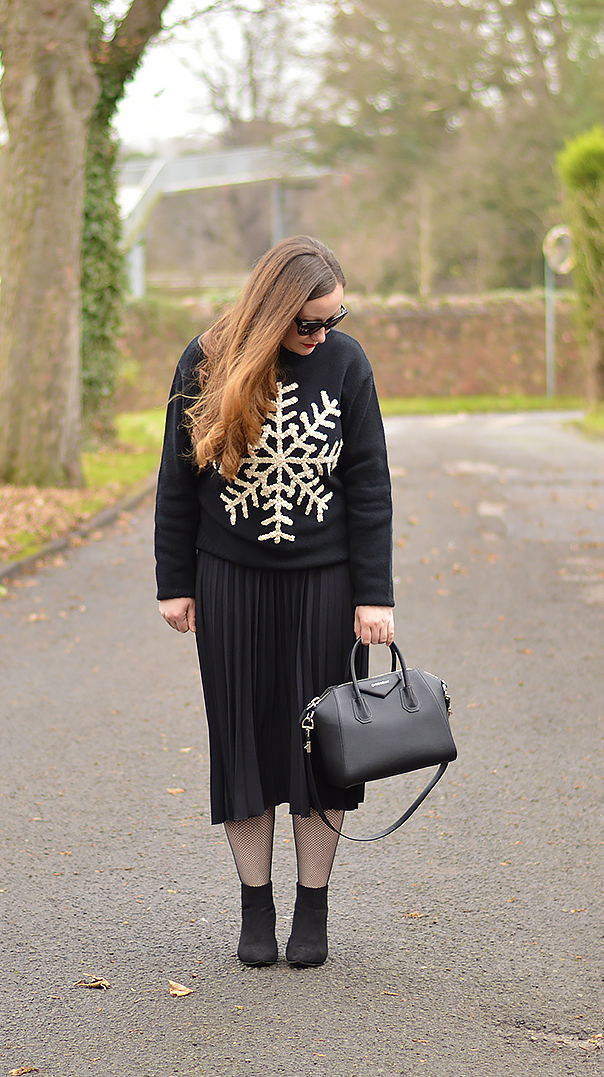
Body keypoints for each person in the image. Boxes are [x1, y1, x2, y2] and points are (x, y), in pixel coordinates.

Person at [153, 236, 395, 969]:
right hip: (230, 580)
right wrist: (174, 580)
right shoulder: (207, 359)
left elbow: (369, 483)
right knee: (244, 743)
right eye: (308, 323)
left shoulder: (347, 364)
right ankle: (255, 906)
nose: (321, 334)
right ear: (273, 311)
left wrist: (374, 595)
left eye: (332, 318)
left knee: (325, 749)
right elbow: (176, 478)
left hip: (325, 584)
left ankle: (311, 907)